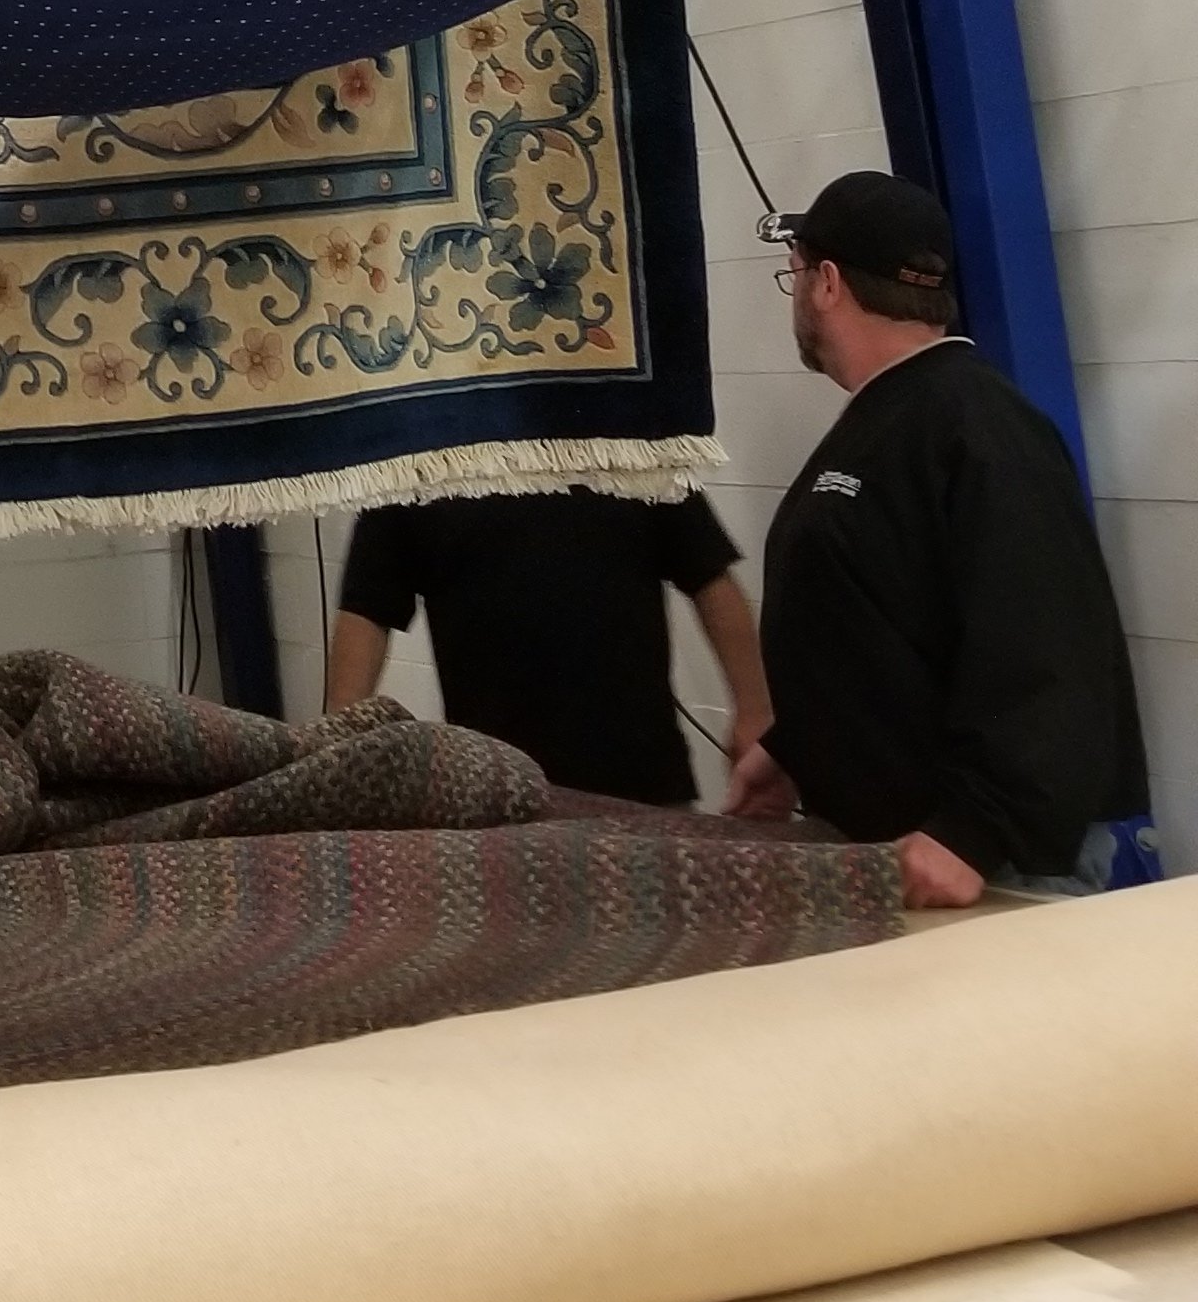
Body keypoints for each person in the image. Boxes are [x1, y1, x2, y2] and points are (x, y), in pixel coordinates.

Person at [728, 169, 1148, 909]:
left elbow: (1047, 646)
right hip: (906, 846)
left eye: (794, 274)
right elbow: (894, 621)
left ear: (827, 283)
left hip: (987, 864)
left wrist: (974, 831)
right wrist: (795, 747)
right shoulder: (894, 417)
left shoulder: (979, 426)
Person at [324, 485, 770, 806]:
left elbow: (709, 576)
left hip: (641, 785)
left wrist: (755, 712)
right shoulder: (422, 458)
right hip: (497, 795)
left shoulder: (623, 435)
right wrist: (333, 754)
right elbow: (366, 610)